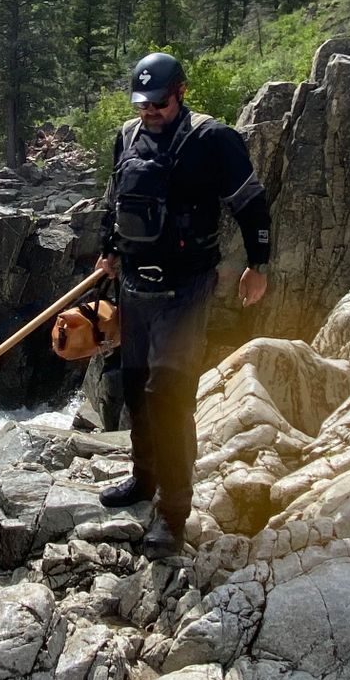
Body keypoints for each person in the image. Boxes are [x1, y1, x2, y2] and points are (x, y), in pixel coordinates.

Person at [98, 52, 271, 554]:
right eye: (142, 102)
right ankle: (143, 479)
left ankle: (174, 515)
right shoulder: (127, 137)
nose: (149, 110)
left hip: (186, 289)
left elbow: (251, 202)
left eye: (158, 101)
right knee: (134, 388)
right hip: (133, 286)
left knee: (168, 395)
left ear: (182, 92)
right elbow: (117, 203)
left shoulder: (214, 140)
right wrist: (110, 249)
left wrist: (257, 265)